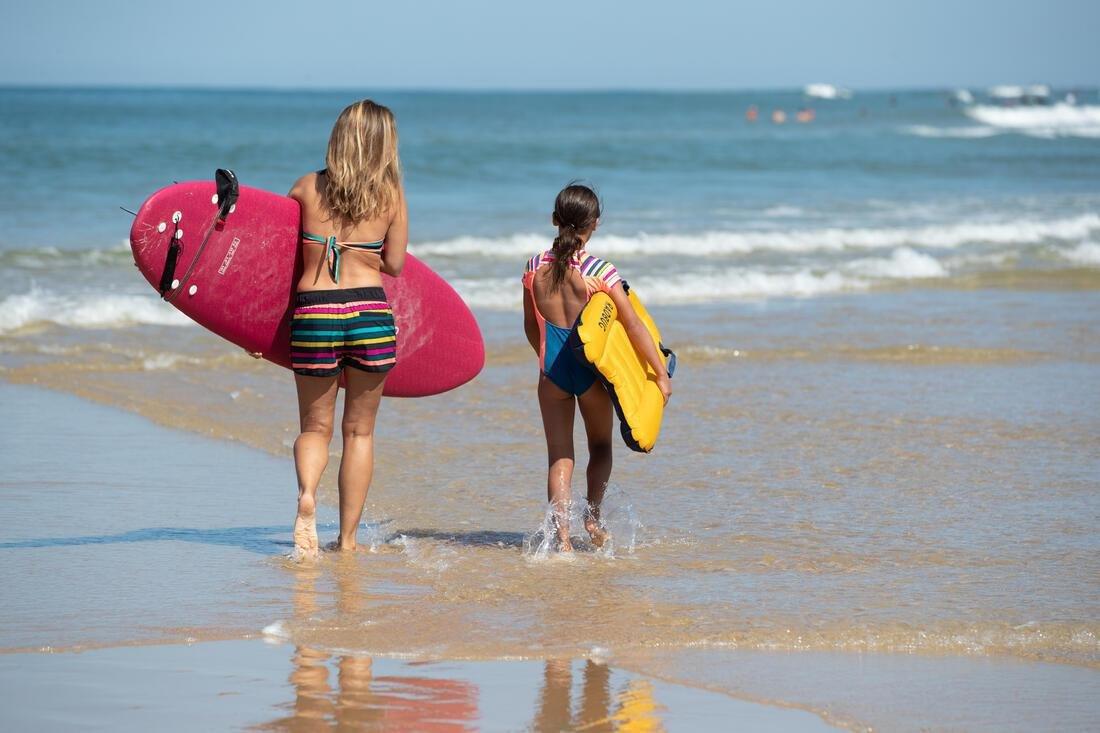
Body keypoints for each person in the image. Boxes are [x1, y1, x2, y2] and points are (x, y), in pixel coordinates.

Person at [285, 99, 408, 555]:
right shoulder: (391, 195)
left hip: (314, 311)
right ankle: (349, 541)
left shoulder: (305, 187)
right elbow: (394, 263)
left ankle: (307, 497)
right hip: (370, 314)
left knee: (315, 428)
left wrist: (255, 331)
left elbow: (275, 260)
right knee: (359, 432)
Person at [522, 184, 671, 552]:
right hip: (589, 375)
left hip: (551, 374)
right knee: (601, 446)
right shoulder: (599, 271)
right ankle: (592, 517)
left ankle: (562, 542)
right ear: (595, 224)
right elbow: (634, 325)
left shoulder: (533, 267)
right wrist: (661, 374)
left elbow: (530, 325)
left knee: (560, 456)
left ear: (555, 220)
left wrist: (545, 359)